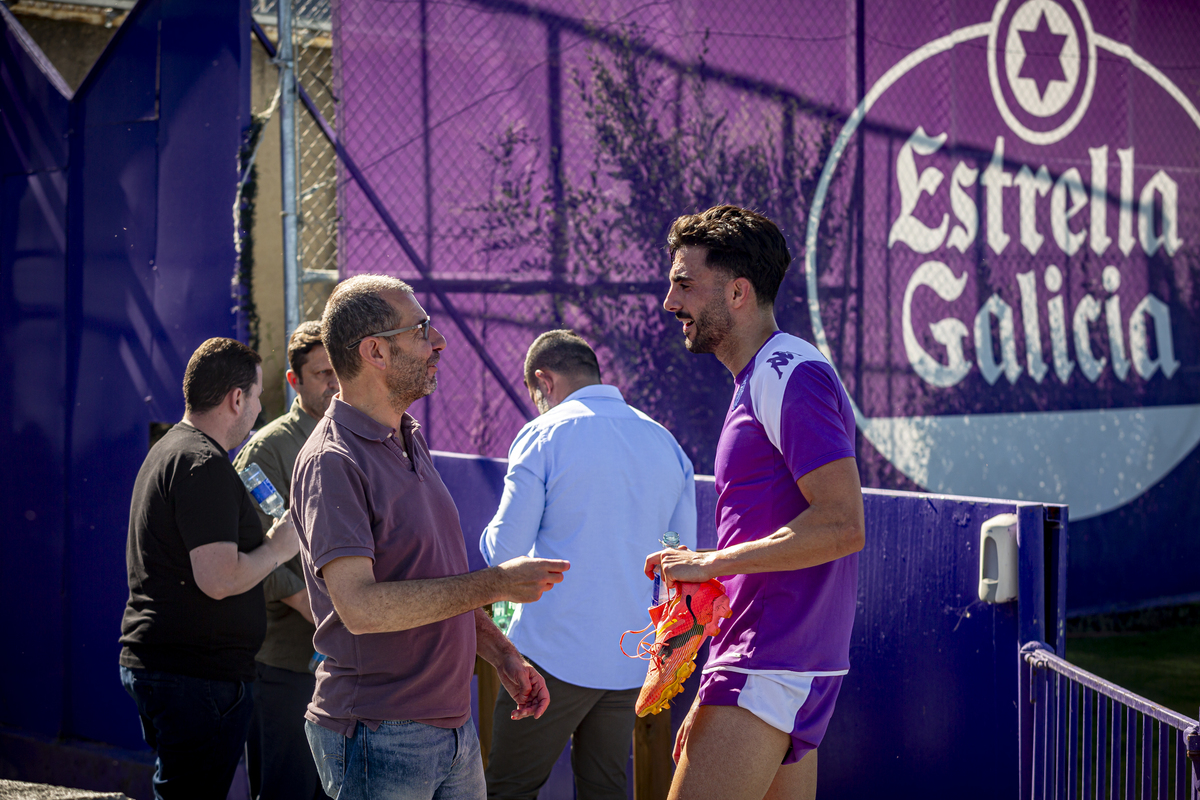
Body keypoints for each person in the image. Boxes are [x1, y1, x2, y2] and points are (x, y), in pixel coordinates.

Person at [290, 274, 571, 800]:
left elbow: (435, 581)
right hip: (379, 733)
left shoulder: (407, 437)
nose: (438, 341)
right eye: (421, 330)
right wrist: (495, 584)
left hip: (451, 726)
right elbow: (361, 609)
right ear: (375, 350)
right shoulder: (333, 461)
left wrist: (501, 654)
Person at [651, 205, 865, 800]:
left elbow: (843, 524)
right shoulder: (773, 372)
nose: (671, 303)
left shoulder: (787, 373)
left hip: (765, 657)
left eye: (684, 284)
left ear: (739, 292)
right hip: (776, 657)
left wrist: (710, 565)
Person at [479, 330, 697, 800]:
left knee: (508, 789)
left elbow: (504, 555)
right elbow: (680, 557)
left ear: (544, 380)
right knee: (605, 789)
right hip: (631, 659)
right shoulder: (665, 443)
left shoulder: (543, 434)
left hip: (548, 654)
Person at [119, 337, 301, 799]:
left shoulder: (173, 451)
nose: (259, 409)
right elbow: (219, 579)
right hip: (195, 680)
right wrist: (279, 547)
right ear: (235, 398)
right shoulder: (202, 463)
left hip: (175, 672)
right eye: (258, 396)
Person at [234, 320, 339, 800]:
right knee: (287, 787)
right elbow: (249, 550)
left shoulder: (360, 439)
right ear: (294, 381)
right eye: (321, 374)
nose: (335, 384)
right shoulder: (269, 449)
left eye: (339, 371)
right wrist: (310, 606)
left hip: (346, 665)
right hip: (287, 661)